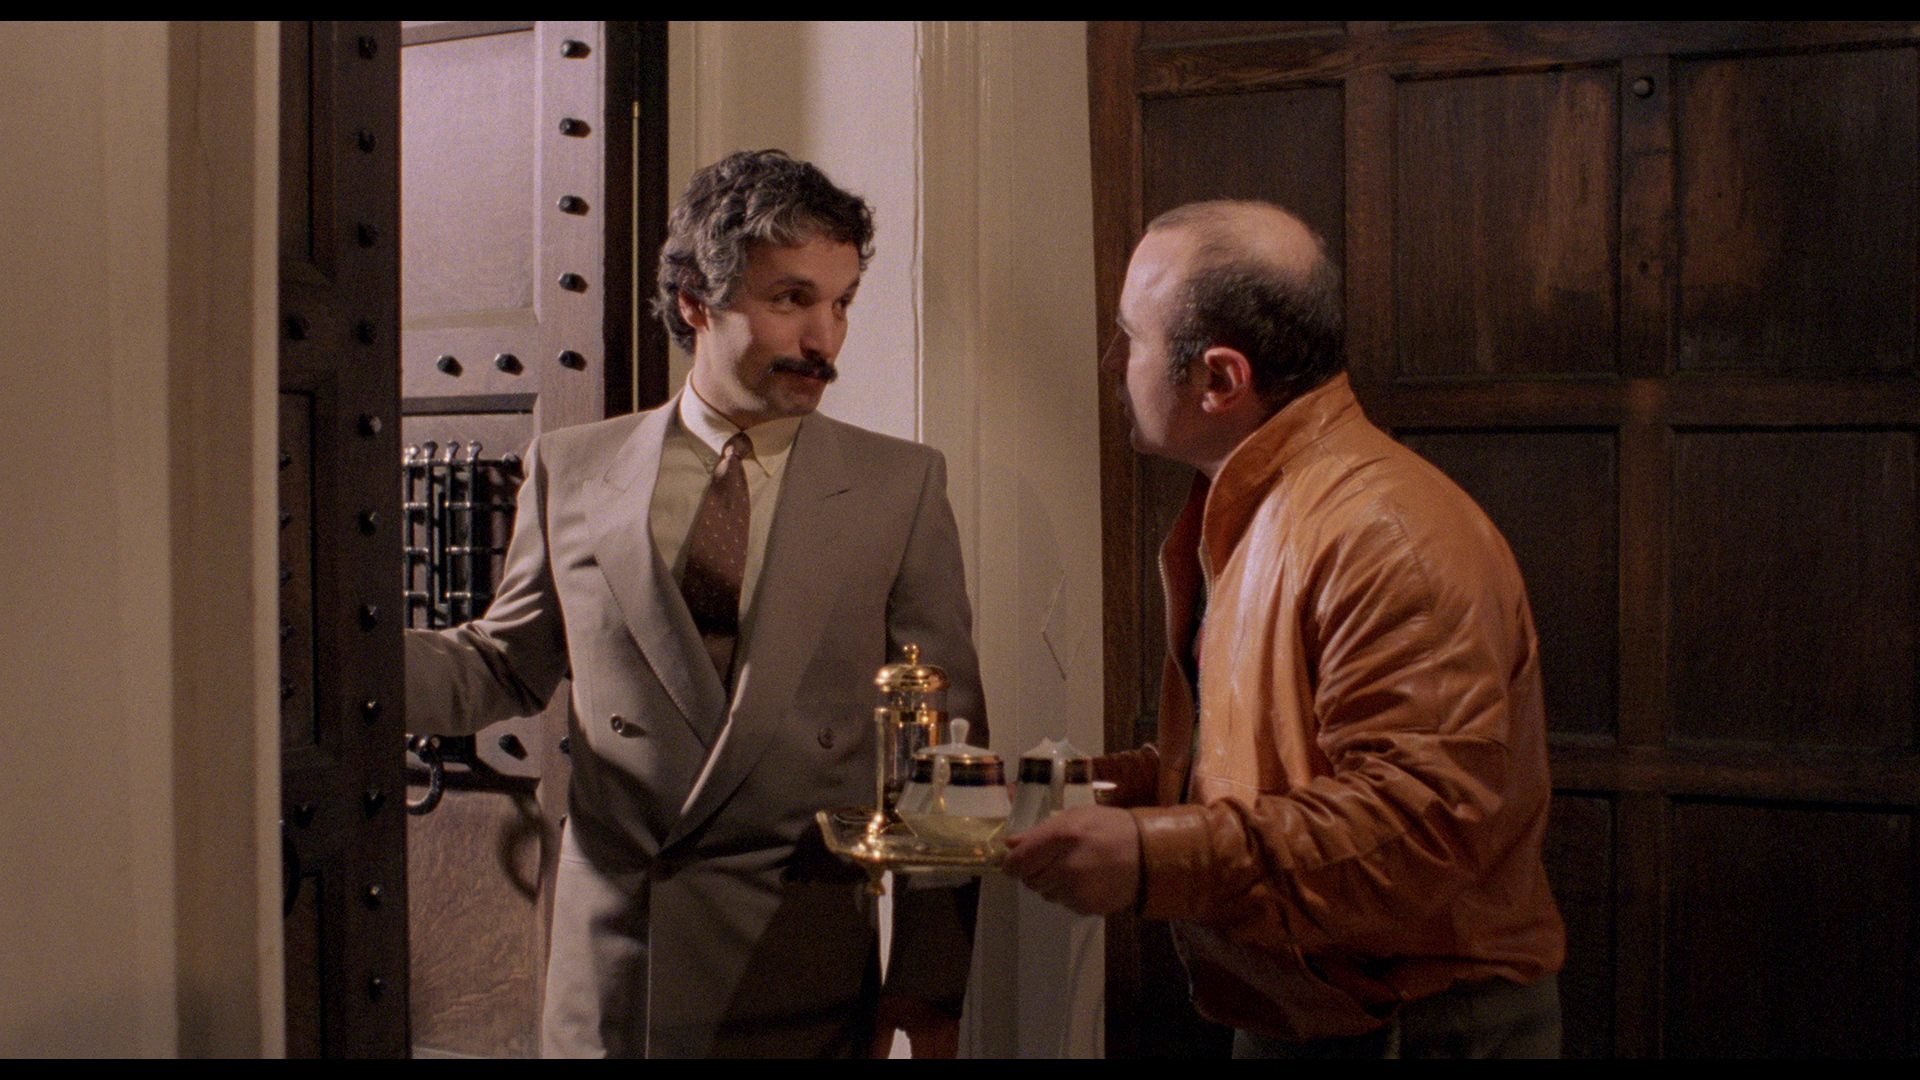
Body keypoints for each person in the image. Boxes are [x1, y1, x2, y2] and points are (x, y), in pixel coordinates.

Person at [406, 149, 986, 1058]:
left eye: (841, 304)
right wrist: (336, 661)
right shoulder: (572, 468)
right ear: (695, 303)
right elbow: (502, 665)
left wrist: (929, 975)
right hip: (615, 981)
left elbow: (946, 746)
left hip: (798, 969)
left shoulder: (898, 487)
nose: (824, 339)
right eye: (791, 299)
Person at [1002, 199, 1566, 1058]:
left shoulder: (1385, 534)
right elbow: (1247, 764)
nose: (1112, 362)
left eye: (1130, 337)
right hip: (1313, 1007)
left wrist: (1149, 857)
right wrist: (1060, 789)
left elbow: (1417, 830)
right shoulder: (1264, 501)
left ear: (1220, 380)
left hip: (1413, 1025)